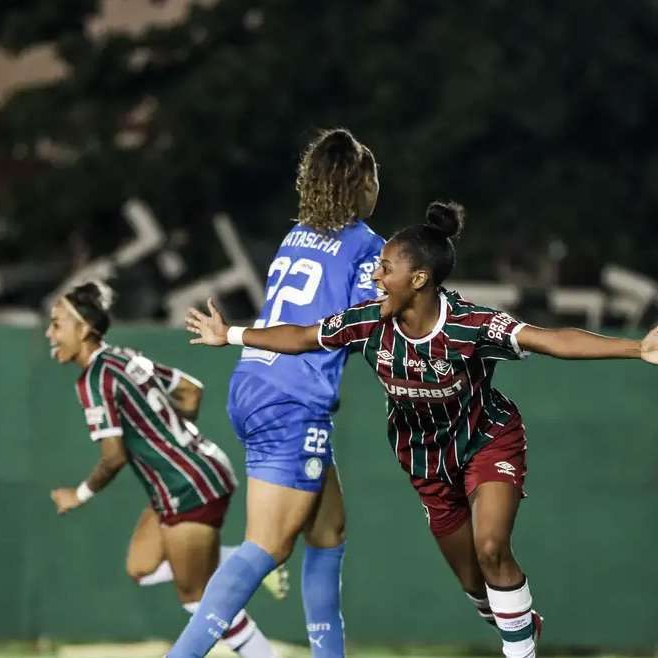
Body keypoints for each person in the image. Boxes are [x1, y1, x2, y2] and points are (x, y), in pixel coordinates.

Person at [183, 201, 658, 658]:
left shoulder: (471, 325)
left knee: (492, 548)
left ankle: (519, 650)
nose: (374, 275)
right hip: (425, 461)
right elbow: (300, 336)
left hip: (487, 441)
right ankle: (519, 624)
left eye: (385, 268)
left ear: (418, 279)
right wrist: (228, 333)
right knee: (476, 585)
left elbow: (553, 340)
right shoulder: (369, 320)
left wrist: (639, 348)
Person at [168, 128, 385, 658]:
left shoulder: (297, 236)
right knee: (266, 545)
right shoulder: (366, 246)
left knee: (328, 533)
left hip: (256, 383)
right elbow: (359, 326)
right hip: (292, 399)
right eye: (373, 176)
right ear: (358, 184)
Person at [45, 281, 281, 658]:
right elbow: (191, 390)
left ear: (84, 329)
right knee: (141, 567)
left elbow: (113, 456)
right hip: (188, 476)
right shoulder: (124, 357)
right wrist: (169, 436)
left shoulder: (94, 379)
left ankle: (262, 651)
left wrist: (79, 494)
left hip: (189, 486)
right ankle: (238, 558)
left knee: (197, 599)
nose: (49, 333)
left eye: (57, 324)